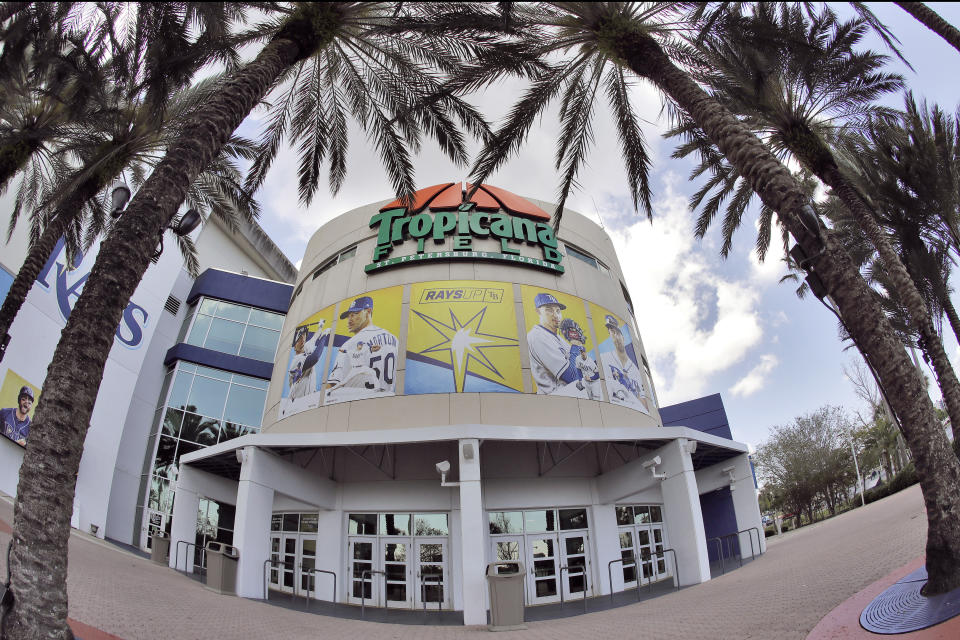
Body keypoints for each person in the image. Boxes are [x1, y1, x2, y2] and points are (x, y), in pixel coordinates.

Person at [325, 296, 398, 403]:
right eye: (348, 316)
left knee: (338, 384)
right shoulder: (395, 340)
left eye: (354, 314)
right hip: (387, 402)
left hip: (356, 405)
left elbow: (332, 383)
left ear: (368, 311)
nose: (349, 320)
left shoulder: (349, 344)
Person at [526, 292, 596, 397]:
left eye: (558, 311)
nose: (555, 315)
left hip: (570, 397)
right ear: (538, 312)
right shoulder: (537, 336)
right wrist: (576, 345)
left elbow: (584, 369)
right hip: (554, 399)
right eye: (549, 310)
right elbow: (572, 377)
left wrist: (581, 349)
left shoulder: (559, 339)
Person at [600, 315, 649, 412]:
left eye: (617, 333)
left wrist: (631, 389)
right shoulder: (604, 358)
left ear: (623, 337)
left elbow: (646, 407)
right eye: (612, 332)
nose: (616, 337)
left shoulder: (636, 371)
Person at [287, 319, 330, 401]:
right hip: (297, 402)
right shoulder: (296, 361)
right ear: (294, 347)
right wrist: (324, 336)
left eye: (303, 337)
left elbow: (315, 337)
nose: (302, 340)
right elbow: (315, 358)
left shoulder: (306, 348)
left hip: (308, 400)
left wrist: (320, 326)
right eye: (299, 339)